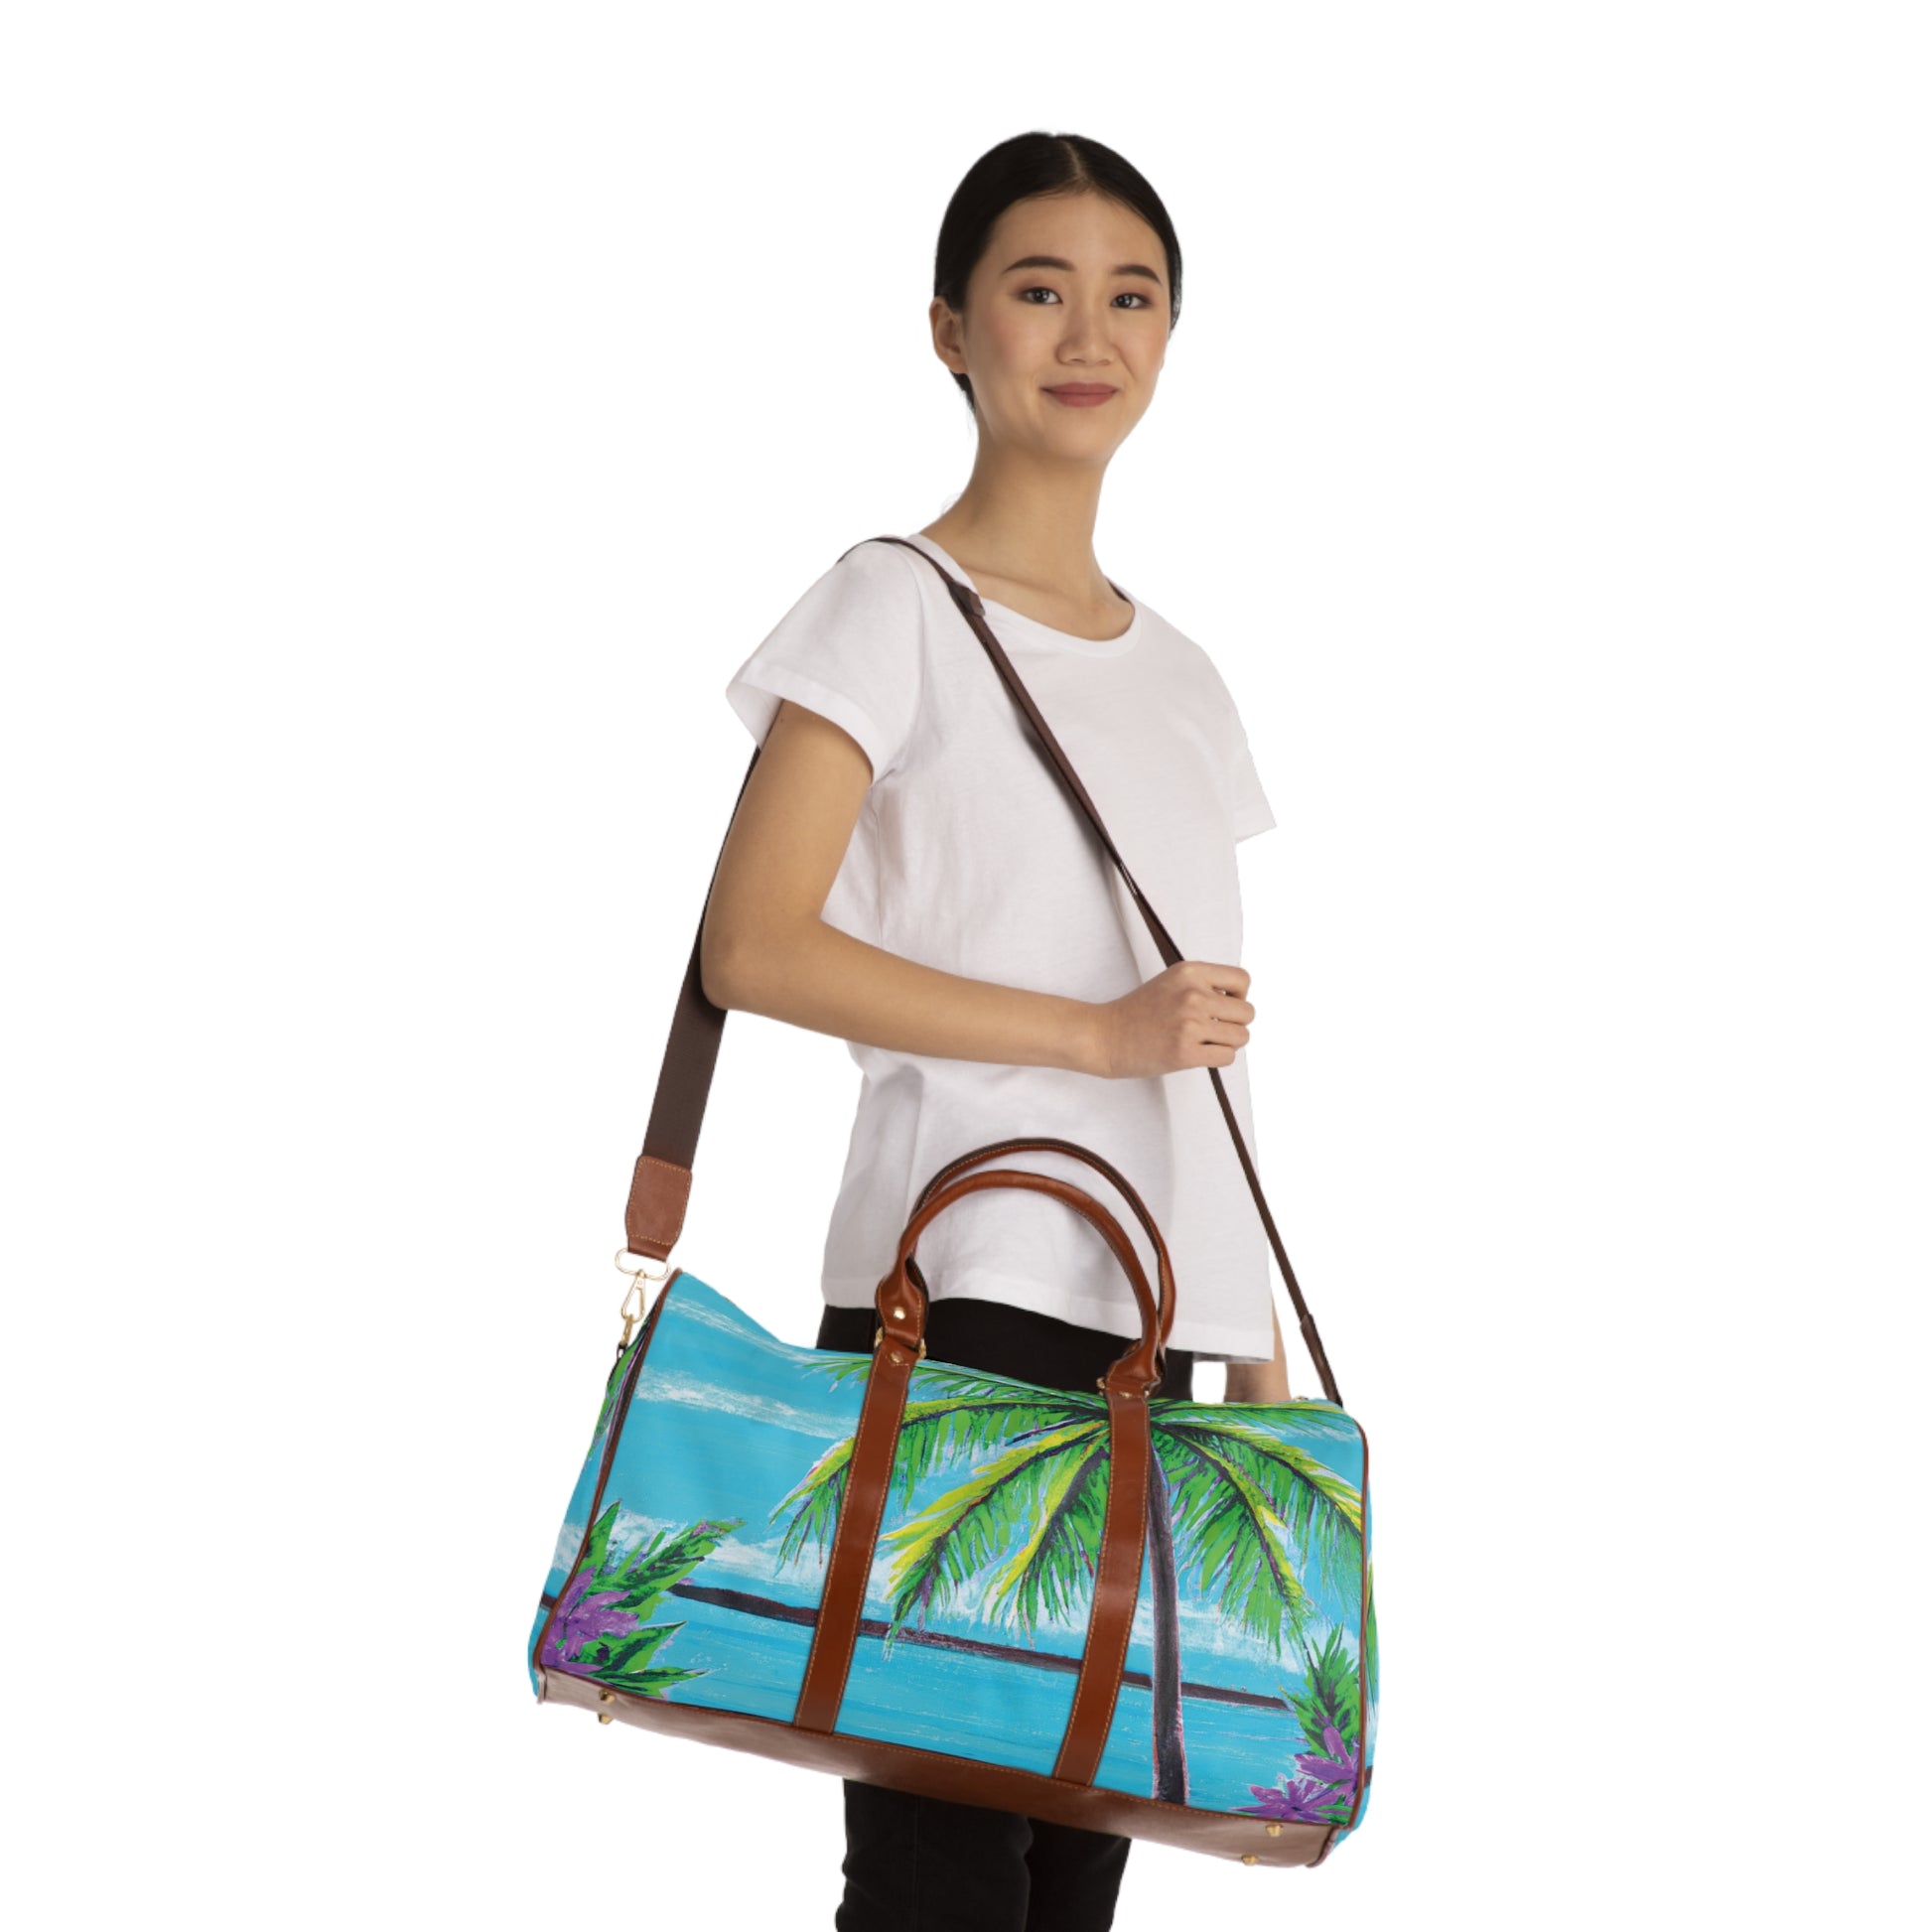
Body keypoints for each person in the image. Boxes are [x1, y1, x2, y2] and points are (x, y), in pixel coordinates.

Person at [701, 129, 1290, 1932]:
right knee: (943, 1879)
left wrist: (1255, 1348)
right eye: (1039, 289)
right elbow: (751, 944)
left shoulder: (1182, 676)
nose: (1088, 333)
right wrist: (1089, 1041)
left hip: (1149, 1320)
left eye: (1133, 295)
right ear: (951, 330)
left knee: (1070, 1885)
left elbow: (1201, 1042)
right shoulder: (888, 604)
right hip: (952, 1298)